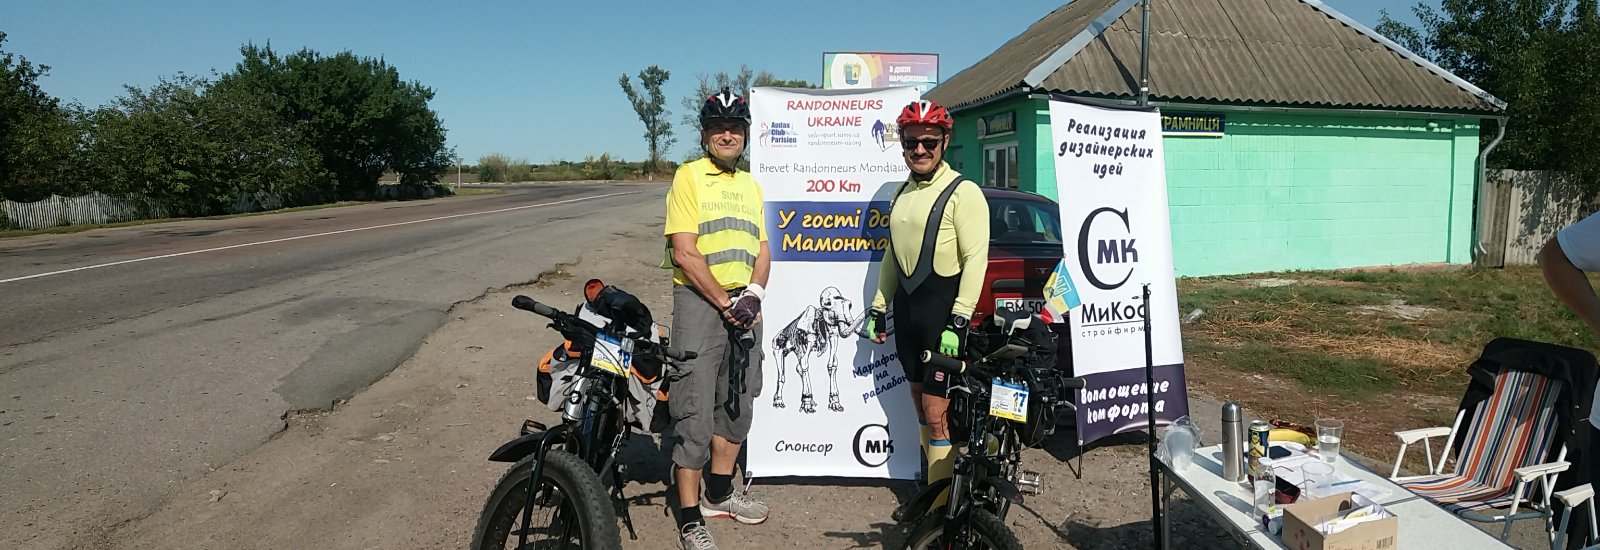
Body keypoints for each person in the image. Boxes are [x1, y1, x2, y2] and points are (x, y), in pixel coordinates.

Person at [862, 99, 990, 509]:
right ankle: (935, 488)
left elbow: (976, 260)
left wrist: (959, 319)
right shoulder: (902, 192)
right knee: (920, 406)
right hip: (908, 316)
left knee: (938, 413)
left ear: (944, 142)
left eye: (929, 142)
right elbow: (891, 254)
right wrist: (878, 306)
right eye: (911, 142)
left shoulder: (963, 192)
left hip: (942, 319)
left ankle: (941, 509)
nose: (919, 150)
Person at [661, 88, 772, 550]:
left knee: (738, 402)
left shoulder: (750, 185)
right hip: (701, 304)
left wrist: (754, 295)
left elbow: (762, 249)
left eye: (735, 128)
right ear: (705, 135)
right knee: (693, 407)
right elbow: (685, 253)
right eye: (718, 128)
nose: (727, 135)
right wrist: (727, 304)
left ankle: (720, 495)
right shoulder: (688, 177)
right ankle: (690, 517)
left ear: (744, 135)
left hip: (744, 304)